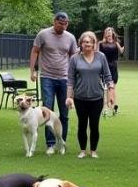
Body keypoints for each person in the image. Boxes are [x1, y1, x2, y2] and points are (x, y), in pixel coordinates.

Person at [29, 12, 77, 154]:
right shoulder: (43, 34)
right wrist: (32, 70)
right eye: (60, 23)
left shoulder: (70, 38)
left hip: (64, 78)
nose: (63, 26)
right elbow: (35, 51)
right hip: (47, 77)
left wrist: (74, 77)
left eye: (65, 23)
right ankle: (50, 144)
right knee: (47, 111)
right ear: (54, 21)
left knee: (64, 113)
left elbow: (73, 58)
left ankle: (61, 142)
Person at [67, 31, 114, 158]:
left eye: (90, 41)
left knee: (94, 125)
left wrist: (111, 91)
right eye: (84, 41)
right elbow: (70, 79)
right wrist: (69, 97)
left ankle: (93, 151)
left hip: (97, 97)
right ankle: (82, 150)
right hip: (80, 97)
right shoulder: (74, 58)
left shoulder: (101, 57)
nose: (87, 43)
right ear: (80, 43)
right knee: (82, 124)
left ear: (94, 44)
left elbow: (108, 76)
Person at [99, 27, 124, 115]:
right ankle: (105, 107)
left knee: (113, 88)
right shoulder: (101, 44)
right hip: (104, 67)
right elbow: (98, 55)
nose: (109, 33)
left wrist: (122, 48)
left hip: (113, 67)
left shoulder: (116, 43)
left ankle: (113, 106)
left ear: (113, 33)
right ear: (105, 34)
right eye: (107, 32)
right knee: (105, 88)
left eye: (111, 32)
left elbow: (121, 51)